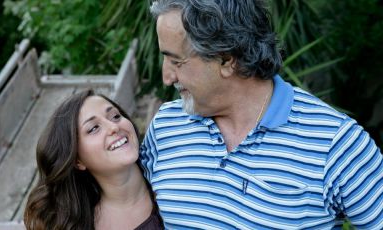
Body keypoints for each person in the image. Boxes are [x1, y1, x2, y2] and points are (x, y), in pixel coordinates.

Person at [140, 0, 383, 229]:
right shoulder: (165, 126)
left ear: (226, 59)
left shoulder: (336, 142)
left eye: (176, 61)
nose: (167, 77)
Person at [24, 89, 163, 230]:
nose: (114, 127)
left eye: (115, 116)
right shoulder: (80, 225)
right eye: (94, 128)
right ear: (78, 161)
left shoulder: (176, 173)